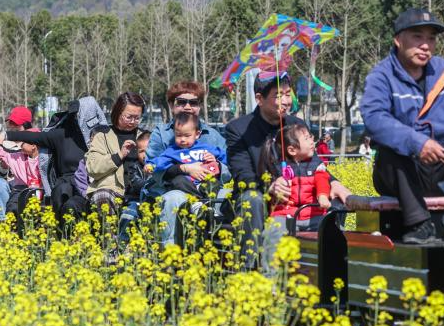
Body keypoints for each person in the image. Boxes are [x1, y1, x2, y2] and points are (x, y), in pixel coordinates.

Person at [360, 8, 444, 244]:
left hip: (441, 163)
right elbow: (373, 117)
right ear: (398, 40)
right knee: (390, 149)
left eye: (431, 38)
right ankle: (418, 223)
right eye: (417, 37)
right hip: (402, 171)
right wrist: (416, 143)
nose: (425, 45)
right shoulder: (381, 76)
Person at [224, 75, 351, 269]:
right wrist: (270, 186)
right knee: (253, 199)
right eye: (278, 95)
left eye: (287, 93)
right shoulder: (238, 129)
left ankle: (330, 269)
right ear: (259, 98)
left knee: (337, 200)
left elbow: (312, 162)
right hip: (262, 195)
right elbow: (243, 175)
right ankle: (251, 269)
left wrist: (333, 182)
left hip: (298, 197)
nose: (286, 101)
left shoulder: (297, 125)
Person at [145, 81, 230, 247]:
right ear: (171, 104)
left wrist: (218, 167)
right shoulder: (161, 133)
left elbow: (230, 163)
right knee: (173, 199)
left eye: (193, 102)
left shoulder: (212, 135)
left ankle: (223, 256)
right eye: (181, 102)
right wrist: (183, 168)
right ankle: (171, 256)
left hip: (210, 188)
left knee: (230, 196)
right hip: (172, 189)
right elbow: (154, 168)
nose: (188, 106)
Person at [4, 97, 105, 218]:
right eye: (74, 115)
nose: (77, 118)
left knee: (77, 203)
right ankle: (61, 232)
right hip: (67, 181)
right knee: (62, 192)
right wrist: (6, 135)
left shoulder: (103, 135)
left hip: (93, 180)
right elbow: (35, 137)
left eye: (79, 114)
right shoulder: (62, 134)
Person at [259, 120, 331, 238]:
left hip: (313, 216)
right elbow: (267, 187)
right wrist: (273, 186)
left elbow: (322, 180)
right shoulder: (277, 167)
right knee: (271, 234)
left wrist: (322, 196)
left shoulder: (316, 164)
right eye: (307, 139)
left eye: (311, 137)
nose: (312, 141)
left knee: (334, 232)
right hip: (284, 216)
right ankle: (269, 257)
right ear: (292, 150)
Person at [85, 92, 146, 218]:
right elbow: (93, 168)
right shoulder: (102, 136)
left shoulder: (145, 137)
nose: (133, 121)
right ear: (118, 112)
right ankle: (109, 237)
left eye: (137, 118)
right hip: (112, 191)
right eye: (129, 117)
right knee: (103, 197)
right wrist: (119, 155)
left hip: (140, 190)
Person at [147, 112, 226, 198]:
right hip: (186, 185)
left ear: (197, 134)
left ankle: (210, 203)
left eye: (187, 136)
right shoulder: (172, 151)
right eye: (179, 135)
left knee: (213, 181)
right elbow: (161, 160)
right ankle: (197, 202)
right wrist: (151, 165)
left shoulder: (205, 148)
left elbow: (224, 155)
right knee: (178, 181)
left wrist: (215, 160)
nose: (183, 139)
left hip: (204, 180)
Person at [0, 128, 43, 222]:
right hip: (21, 190)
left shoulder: (44, 159)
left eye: (24, 142)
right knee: (13, 207)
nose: (20, 145)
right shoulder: (17, 157)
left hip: (41, 192)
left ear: (34, 146)